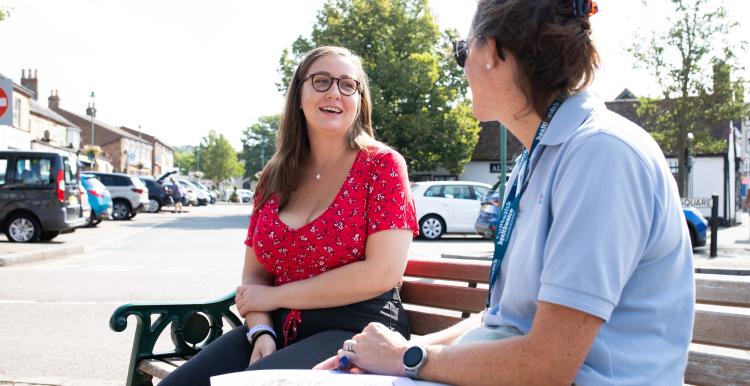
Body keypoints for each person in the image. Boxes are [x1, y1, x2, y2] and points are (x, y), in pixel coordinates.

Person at [316, 1, 695, 385]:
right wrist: (391, 354)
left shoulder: (601, 154)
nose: (462, 67)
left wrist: (407, 358)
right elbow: (504, 320)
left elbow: (548, 366)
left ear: (493, 52)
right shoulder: (539, 159)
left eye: (462, 51)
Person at [160, 46, 418, 386]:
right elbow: (254, 277)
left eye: (347, 85)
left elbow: (383, 272)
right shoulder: (274, 176)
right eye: (321, 81)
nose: (334, 93)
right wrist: (262, 331)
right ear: (299, 94)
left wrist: (275, 297)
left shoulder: (382, 165)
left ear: (360, 99)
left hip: (358, 331)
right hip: (279, 328)